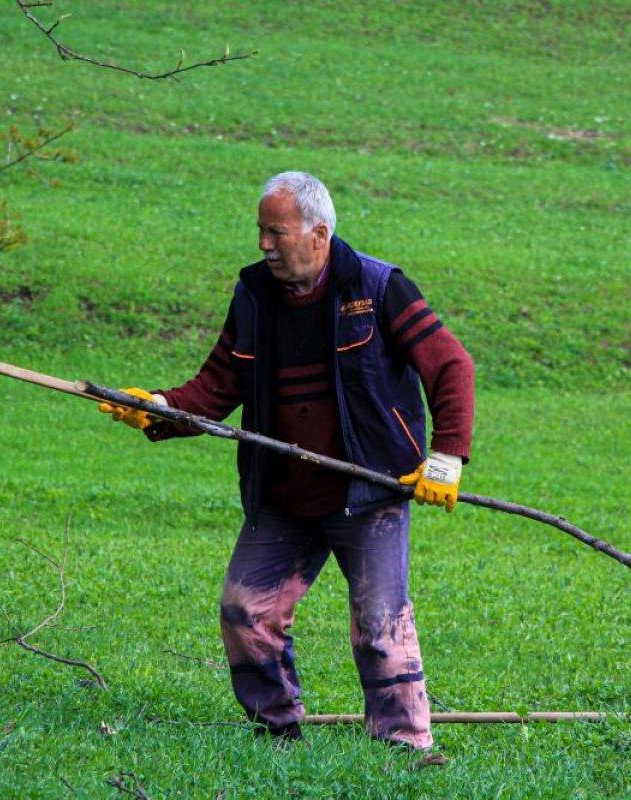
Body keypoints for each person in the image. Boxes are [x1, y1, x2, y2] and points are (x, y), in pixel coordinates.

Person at [99, 172, 474, 749]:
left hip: (368, 494)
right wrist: (158, 408)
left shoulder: (378, 287)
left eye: (275, 233)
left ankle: (407, 750)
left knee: (380, 626)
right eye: (260, 232)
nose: (263, 246)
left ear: (318, 233)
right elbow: (216, 387)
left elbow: (452, 367)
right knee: (244, 612)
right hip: (284, 496)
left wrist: (445, 458)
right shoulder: (253, 296)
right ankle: (278, 734)